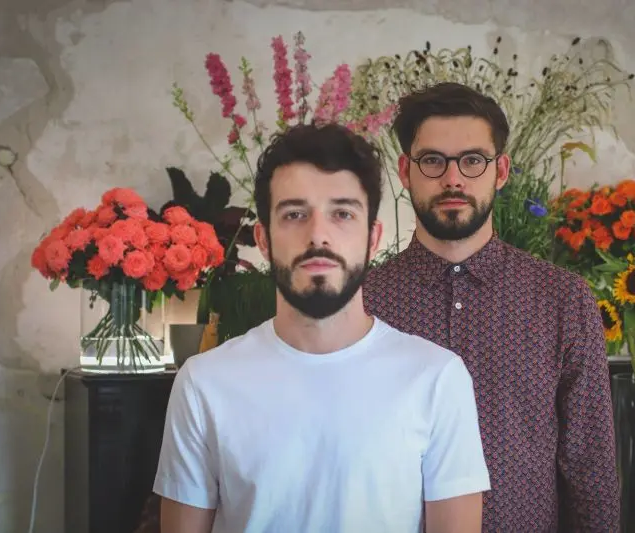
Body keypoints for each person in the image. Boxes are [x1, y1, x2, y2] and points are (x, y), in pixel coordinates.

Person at [153, 123, 491, 533]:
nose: (318, 235)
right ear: (264, 239)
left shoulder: (437, 378)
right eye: (294, 214)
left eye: (342, 213)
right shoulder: (204, 383)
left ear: (372, 238)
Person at [363, 82, 620, 532]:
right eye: (433, 160)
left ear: (500, 170)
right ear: (405, 171)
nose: (453, 178)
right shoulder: (364, 302)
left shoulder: (562, 299)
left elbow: (590, 468)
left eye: (472, 160)